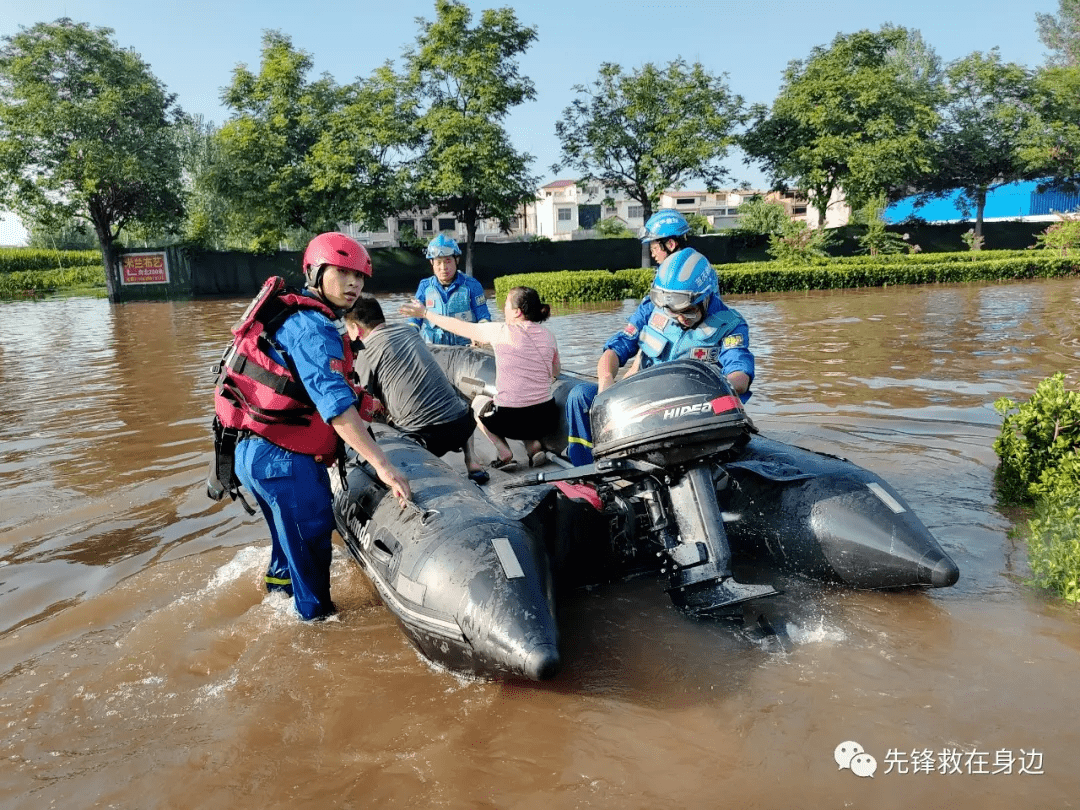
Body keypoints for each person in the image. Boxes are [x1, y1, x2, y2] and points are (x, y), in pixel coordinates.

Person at [214, 232, 411, 621]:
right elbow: (336, 408)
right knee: (312, 555)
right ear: (317, 272)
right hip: (285, 462)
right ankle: (313, 625)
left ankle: (277, 595)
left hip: (253, 453)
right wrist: (384, 467)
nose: (355, 284)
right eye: (344, 273)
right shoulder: (313, 327)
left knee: (287, 546)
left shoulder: (295, 316)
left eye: (360, 277)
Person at [565, 209, 755, 467]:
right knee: (580, 395)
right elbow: (616, 348)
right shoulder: (651, 308)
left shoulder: (731, 325)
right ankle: (587, 473)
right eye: (670, 311)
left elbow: (739, 375)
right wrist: (606, 383)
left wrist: (715, 391)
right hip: (642, 400)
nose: (678, 318)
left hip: (688, 411)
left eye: (687, 312)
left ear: (705, 298)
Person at [400, 286, 560, 469]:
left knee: (477, 404)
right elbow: (555, 371)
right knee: (527, 400)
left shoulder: (500, 331)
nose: (503, 308)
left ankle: (504, 451)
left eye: (506, 304)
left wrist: (426, 313)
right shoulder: (549, 335)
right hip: (546, 418)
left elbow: (458, 326)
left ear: (517, 312)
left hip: (512, 421)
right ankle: (534, 447)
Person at [344, 296, 490, 485]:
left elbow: (366, 401)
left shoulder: (365, 349)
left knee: (378, 418)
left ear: (356, 328)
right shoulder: (408, 331)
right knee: (457, 399)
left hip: (423, 437)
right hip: (461, 425)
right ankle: (472, 461)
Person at [409, 233, 492, 346]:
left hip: (465, 350)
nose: (443, 268)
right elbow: (414, 319)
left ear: (456, 260)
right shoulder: (425, 286)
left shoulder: (472, 286)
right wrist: (409, 333)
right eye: (438, 262)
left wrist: (480, 335)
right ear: (431, 262)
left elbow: (483, 317)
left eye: (448, 261)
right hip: (434, 351)